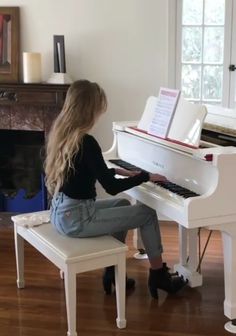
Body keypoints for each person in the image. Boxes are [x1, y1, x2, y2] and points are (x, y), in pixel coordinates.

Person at [44, 79, 187, 298]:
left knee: (123, 203)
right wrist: (144, 176)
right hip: (77, 219)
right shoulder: (87, 141)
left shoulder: (64, 134)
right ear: (89, 109)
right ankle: (159, 275)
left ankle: (111, 270)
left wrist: (121, 172)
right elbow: (111, 188)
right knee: (147, 214)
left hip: (62, 213)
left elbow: (83, 174)